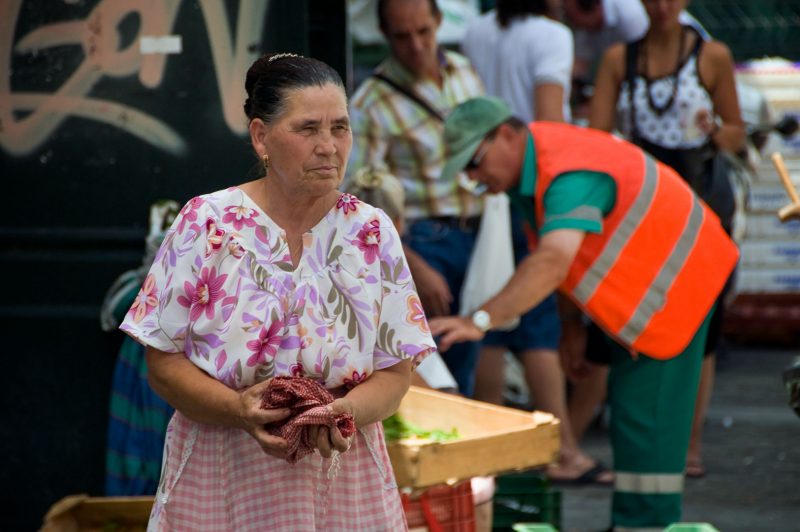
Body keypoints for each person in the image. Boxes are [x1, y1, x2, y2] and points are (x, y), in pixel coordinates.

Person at [120, 52, 436, 530]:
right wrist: (238, 409)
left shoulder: (371, 231)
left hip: (344, 480)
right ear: (261, 136)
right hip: (224, 469)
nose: (329, 146)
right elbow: (162, 364)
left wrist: (344, 410)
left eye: (340, 128)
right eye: (308, 129)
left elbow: (396, 374)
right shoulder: (207, 223)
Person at [429, 96, 738, 530]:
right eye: (466, 172)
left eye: (475, 164)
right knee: (637, 411)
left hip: (680, 285)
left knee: (650, 416)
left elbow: (553, 261)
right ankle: (635, 522)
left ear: (506, 135)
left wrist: (478, 321)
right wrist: (571, 330)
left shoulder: (567, 170)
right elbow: (563, 267)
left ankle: (647, 523)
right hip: (657, 288)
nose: (475, 178)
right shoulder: (538, 172)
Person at [589, 0, 744, 479]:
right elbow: (597, 136)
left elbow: (738, 132)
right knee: (633, 319)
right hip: (644, 205)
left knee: (702, 325)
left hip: (699, 198)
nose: (660, 7)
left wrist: (715, 132)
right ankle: (633, 445)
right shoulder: (620, 58)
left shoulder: (711, 55)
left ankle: (690, 445)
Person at [462, 0, 611, 485]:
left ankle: (500, 453)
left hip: (502, 190)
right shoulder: (551, 34)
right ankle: (558, 451)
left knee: (499, 323)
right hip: (534, 187)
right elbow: (548, 126)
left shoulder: (476, 31)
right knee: (530, 323)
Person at [347, 0, 487, 395]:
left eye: (424, 32)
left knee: (477, 349)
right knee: (437, 370)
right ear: (386, 37)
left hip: (479, 230)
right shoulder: (370, 102)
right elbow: (360, 202)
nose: (417, 45)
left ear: (439, 23)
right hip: (425, 241)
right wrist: (412, 264)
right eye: (403, 37)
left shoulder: (463, 70)